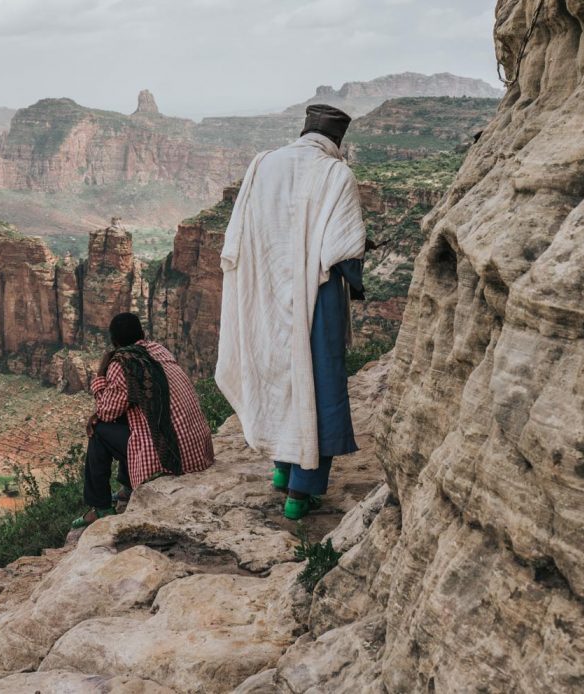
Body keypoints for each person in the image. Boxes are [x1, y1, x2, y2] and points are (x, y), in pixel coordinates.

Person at [215, 104, 369, 520]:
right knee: (318, 385)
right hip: (315, 298)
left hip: (265, 290)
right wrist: (359, 271)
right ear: (337, 140)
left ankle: (282, 469)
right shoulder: (336, 174)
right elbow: (343, 249)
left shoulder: (262, 164)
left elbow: (237, 235)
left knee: (280, 374)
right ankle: (300, 494)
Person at [74, 312, 215, 529]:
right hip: (198, 451)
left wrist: (101, 374)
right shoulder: (159, 349)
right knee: (131, 416)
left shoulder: (122, 364)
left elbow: (106, 411)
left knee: (100, 430)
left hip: (171, 457)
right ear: (142, 333)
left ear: (115, 342)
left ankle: (100, 507)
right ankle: (128, 486)